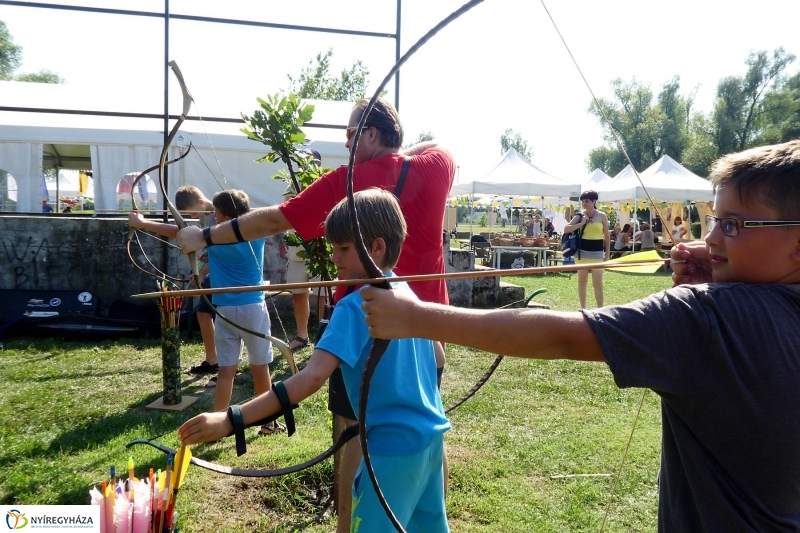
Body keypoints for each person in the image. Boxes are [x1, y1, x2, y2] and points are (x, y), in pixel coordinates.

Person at [361, 140, 800, 532]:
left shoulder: (711, 317)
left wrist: (414, 317)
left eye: (734, 226)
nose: (711, 238)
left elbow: (562, 336)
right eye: (714, 220)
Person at [175, 96, 455, 531]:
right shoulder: (411, 299)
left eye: (342, 249)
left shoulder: (353, 301)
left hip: (388, 451)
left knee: (352, 450)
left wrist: (230, 420)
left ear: (371, 134)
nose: (336, 260)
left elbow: (273, 221)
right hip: (430, 440)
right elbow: (437, 355)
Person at [130, 185, 220, 387]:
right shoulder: (206, 215)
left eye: (193, 213)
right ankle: (213, 361)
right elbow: (189, 234)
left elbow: (185, 233)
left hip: (226, 278)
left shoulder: (217, 214)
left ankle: (227, 367)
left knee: (226, 322)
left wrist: (202, 272)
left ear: (200, 202)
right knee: (203, 314)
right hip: (214, 275)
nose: (193, 217)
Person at [563, 190, 610, 308]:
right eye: (583, 201)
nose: (584, 203)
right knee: (582, 281)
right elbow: (566, 229)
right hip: (582, 253)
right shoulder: (580, 215)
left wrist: (607, 254)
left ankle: (601, 309)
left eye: (587, 201)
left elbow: (607, 236)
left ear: (594, 201)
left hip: (597, 252)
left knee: (597, 283)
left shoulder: (602, 215)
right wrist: (581, 223)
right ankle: (583, 308)